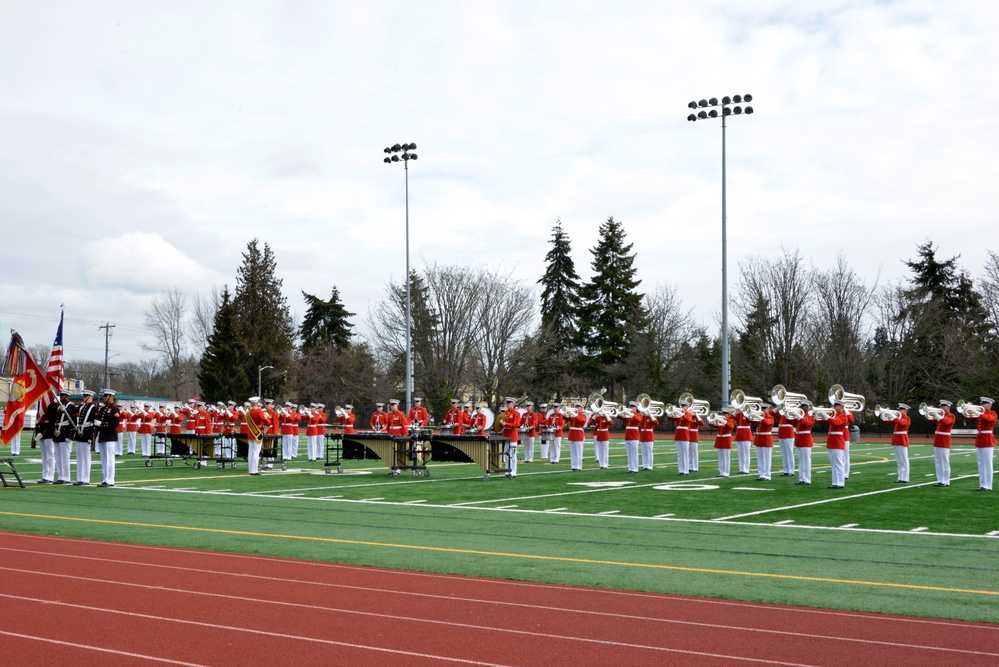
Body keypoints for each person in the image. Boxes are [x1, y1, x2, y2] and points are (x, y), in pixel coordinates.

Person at [37, 388, 71, 484]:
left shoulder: (54, 405)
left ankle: (49, 476)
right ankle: (45, 474)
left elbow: (52, 419)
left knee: (50, 455)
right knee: (44, 455)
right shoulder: (45, 403)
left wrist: (44, 431)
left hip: (49, 431)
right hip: (42, 429)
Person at [94, 389, 122, 487]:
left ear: (111, 397)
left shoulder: (114, 409)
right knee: (103, 459)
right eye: (104, 396)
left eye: (106, 396)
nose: (104, 398)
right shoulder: (102, 409)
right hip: (103, 435)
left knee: (109, 459)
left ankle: (110, 479)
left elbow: (115, 423)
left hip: (110, 435)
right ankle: (105, 478)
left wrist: (102, 424)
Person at [73, 390, 98, 486]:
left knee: (86, 457)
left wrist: (92, 436)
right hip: (80, 433)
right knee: (79, 457)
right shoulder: (81, 407)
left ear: (90, 397)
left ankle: (85, 478)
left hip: (87, 433)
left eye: (85, 396)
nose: (83, 398)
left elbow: (94, 422)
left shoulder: (93, 408)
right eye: (83, 396)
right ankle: (79, 477)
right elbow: (72, 411)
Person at [928, 399, 955, 486]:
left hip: (945, 440)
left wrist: (936, 414)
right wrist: (929, 411)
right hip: (938, 439)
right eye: (940, 406)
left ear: (947, 407)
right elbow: (929, 419)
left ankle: (946, 481)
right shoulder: (940, 415)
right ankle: (940, 480)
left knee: (945, 461)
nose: (941, 408)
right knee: (938, 461)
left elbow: (945, 422)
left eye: (943, 406)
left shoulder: (951, 416)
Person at [825, 401, 850, 488]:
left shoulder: (843, 416)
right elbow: (824, 422)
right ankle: (835, 482)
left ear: (841, 406)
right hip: (831, 441)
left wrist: (828, 417)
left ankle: (840, 482)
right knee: (833, 463)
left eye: (835, 405)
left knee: (839, 463)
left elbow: (837, 423)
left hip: (838, 441)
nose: (833, 407)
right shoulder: (834, 415)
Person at [245, 397, 271, 475]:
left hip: (250, 434)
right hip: (257, 434)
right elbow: (268, 423)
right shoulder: (259, 412)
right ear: (257, 403)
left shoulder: (248, 413)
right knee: (256, 453)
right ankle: (254, 470)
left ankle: (250, 469)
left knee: (250, 452)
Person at [974, 397, 995, 492]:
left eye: (984, 403)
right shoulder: (980, 413)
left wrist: (979, 413)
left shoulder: (992, 413)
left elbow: (989, 420)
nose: (982, 405)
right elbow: (967, 416)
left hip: (987, 439)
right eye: (981, 403)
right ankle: (982, 484)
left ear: (989, 405)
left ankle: (988, 485)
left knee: (987, 464)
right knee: (981, 464)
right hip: (979, 439)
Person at [792, 401, 815, 485]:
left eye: (803, 406)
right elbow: (789, 421)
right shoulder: (801, 415)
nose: (801, 408)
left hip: (806, 440)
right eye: (800, 406)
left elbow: (806, 423)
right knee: (801, 461)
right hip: (799, 440)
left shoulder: (810, 416)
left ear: (807, 407)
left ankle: (807, 479)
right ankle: (802, 478)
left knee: (806, 461)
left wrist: (798, 415)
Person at [667, 400, 691, 475]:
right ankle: (681, 470)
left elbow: (688, 419)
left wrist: (680, 413)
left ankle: (686, 470)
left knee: (685, 454)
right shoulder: (678, 414)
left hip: (685, 435)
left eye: (684, 406)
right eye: (681, 406)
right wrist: (671, 412)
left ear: (687, 407)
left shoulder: (689, 414)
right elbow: (669, 418)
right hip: (678, 435)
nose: (682, 407)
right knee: (680, 454)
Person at [500, 397, 522, 477]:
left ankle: (513, 472)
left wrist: (506, 424)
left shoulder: (516, 413)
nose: (507, 404)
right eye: (507, 403)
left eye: (509, 403)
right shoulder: (504, 413)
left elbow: (516, 424)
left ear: (513, 404)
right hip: (506, 435)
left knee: (512, 454)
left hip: (513, 435)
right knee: (506, 454)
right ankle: (507, 471)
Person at [752, 404, 775, 481]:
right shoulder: (760, 417)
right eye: (761, 408)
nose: (762, 410)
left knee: (766, 459)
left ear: (768, 409)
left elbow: (767, 423)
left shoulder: (770, 417)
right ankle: (761, 474)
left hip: (766, 438)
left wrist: (758, 416)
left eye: (764, 408)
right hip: (759, 438)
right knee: (760, 458)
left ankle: (767, 475)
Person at [890, 403, 911, 483]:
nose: (898, 411)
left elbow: (902, 423)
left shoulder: (906, 418)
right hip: (896, 439)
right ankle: (900, 477)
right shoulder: (898, 418)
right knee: (899, 460)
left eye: (900, 409)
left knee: (904, 460)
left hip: (902, 440)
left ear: (905, 410)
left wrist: (894, 417)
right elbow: (889, 423)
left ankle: (905, 478)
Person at [620, 401, 641, 473]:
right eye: (631, 406)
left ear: (636, 408)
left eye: (633, 407)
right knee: (629, 453)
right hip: (627, 435)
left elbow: (638, 420)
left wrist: (630, 413)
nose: (631, 408)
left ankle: (635, 468)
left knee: (634, 453)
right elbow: (618, 416)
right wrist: (622, 411)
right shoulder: (627, 416)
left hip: (634, 436)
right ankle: (630, 468)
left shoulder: (638, 415)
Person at [713, 408, 734, 477]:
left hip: (726, 439)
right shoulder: (720, 421)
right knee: (720, 457)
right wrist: (713, 420)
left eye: (725, 414)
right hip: (719, 439)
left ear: (728, 415)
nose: (723, 415)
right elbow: (712, 425)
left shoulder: (731, 420)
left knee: (726, 457)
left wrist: (722, 420)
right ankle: (721, 472)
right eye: (722, 414)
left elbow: (730, 426)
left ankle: (726, 473)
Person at [566, 402, 587, 471]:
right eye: (576, 406)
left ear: (581, 408)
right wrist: (565, 413)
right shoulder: (572, 415)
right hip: (571, 434)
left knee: (578, 452)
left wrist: (574, 414)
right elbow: (565, 419)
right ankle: (573, 466)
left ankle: (579, 466)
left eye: (578, 407)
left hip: (578, 434)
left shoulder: (583, 415)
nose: (577, 408)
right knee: (572, 452)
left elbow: (581, 420)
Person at [733, 408, 754, 475]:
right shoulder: (738, 414)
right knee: (740, 453)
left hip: (746, 435)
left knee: (746, 453)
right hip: (739, 435)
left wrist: (745, 412)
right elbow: (731, 418)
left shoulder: (748, 414)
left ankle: (746, 469)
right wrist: (736, 411)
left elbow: (752, 420)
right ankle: (741, 468)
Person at [776, 408, 796, 477]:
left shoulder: (791, 409)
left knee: (789, 453)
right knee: (783, 453)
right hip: (781, 432)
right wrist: (778, 407)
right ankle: (785, 470)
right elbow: (772, 414)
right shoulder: (781, 410)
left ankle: (791, 470)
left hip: (788, 432)